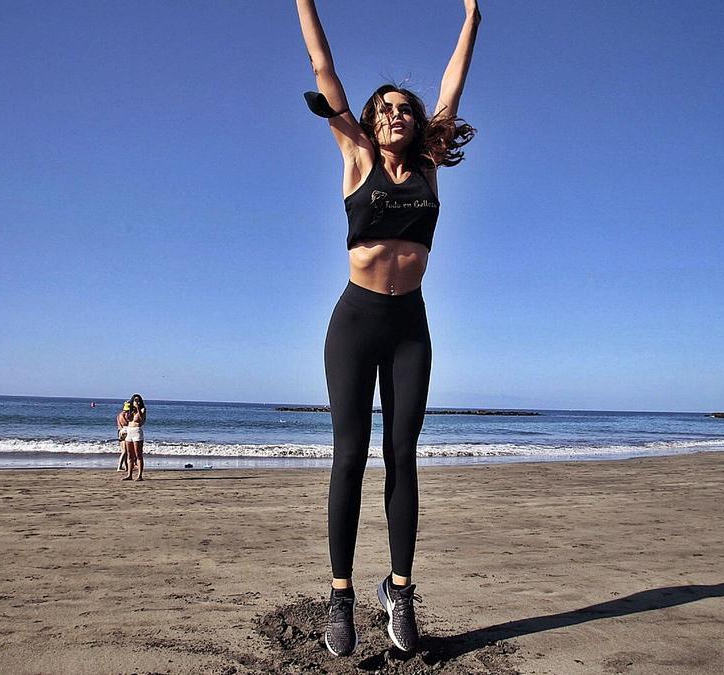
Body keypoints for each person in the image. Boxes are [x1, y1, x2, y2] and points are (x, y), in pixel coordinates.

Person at [295, 0, 480, 657]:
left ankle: (399, 590)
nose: (397, 114)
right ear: (371, 124)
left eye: (406, 108)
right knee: (350, 456)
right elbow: (324, 67)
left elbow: (454, 83)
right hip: (355, 322)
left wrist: (472, 15)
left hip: (410, 326)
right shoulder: (354, 156)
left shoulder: (429, 165)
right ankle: (341, 598)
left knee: (404, 456)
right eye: (386, 109)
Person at [121, 394, 147, 481]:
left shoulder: (142, 409)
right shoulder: (130, 411)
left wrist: (138, 408)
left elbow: (140, 419)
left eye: (138, 400)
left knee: (138, 454)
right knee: (129, 454)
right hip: (129, 431)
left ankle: (139, 475)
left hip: (137, 431)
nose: (137, 401)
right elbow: (126, 420)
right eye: (135, 400)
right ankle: (129, 474)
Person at [116, 401, 132, 472]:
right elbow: (126, 424)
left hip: (121, 431)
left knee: (125, 451)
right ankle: (119, 467)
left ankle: (125, 466)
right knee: (124, 451)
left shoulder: (120, 414)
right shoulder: (124, 415)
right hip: (124, 432)